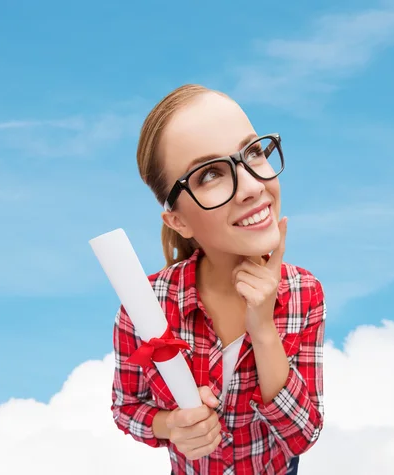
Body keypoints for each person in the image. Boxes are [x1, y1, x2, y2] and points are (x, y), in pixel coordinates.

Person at [111, 84, 326, 474]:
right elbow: (127, 408)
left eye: (253, 152)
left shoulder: (303, 293)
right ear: (177, 220)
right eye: (210, 174)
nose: (251, 186)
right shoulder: (146, 305)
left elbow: (302, 435)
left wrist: (262, 327)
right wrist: (170, 426)